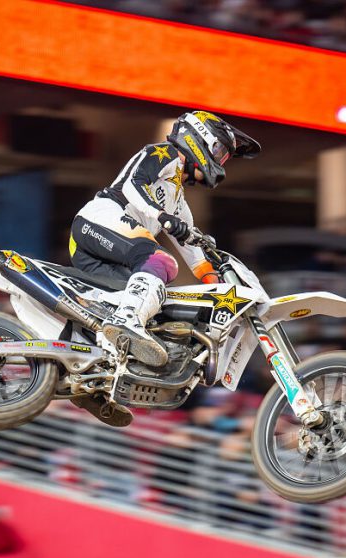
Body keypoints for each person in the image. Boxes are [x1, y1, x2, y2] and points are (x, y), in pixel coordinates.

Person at [68, 111, 259, 425]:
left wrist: (221, 286)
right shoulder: (162, 153)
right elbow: (133, 186)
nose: (220, 161)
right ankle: (127, 321)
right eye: (220, 152)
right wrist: (160, 217)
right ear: (200, 138)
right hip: (99, 221)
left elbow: (195, 254)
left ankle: (92, 381)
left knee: (152, 304)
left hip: (111, 248)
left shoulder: (178, 201)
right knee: (161, 262)